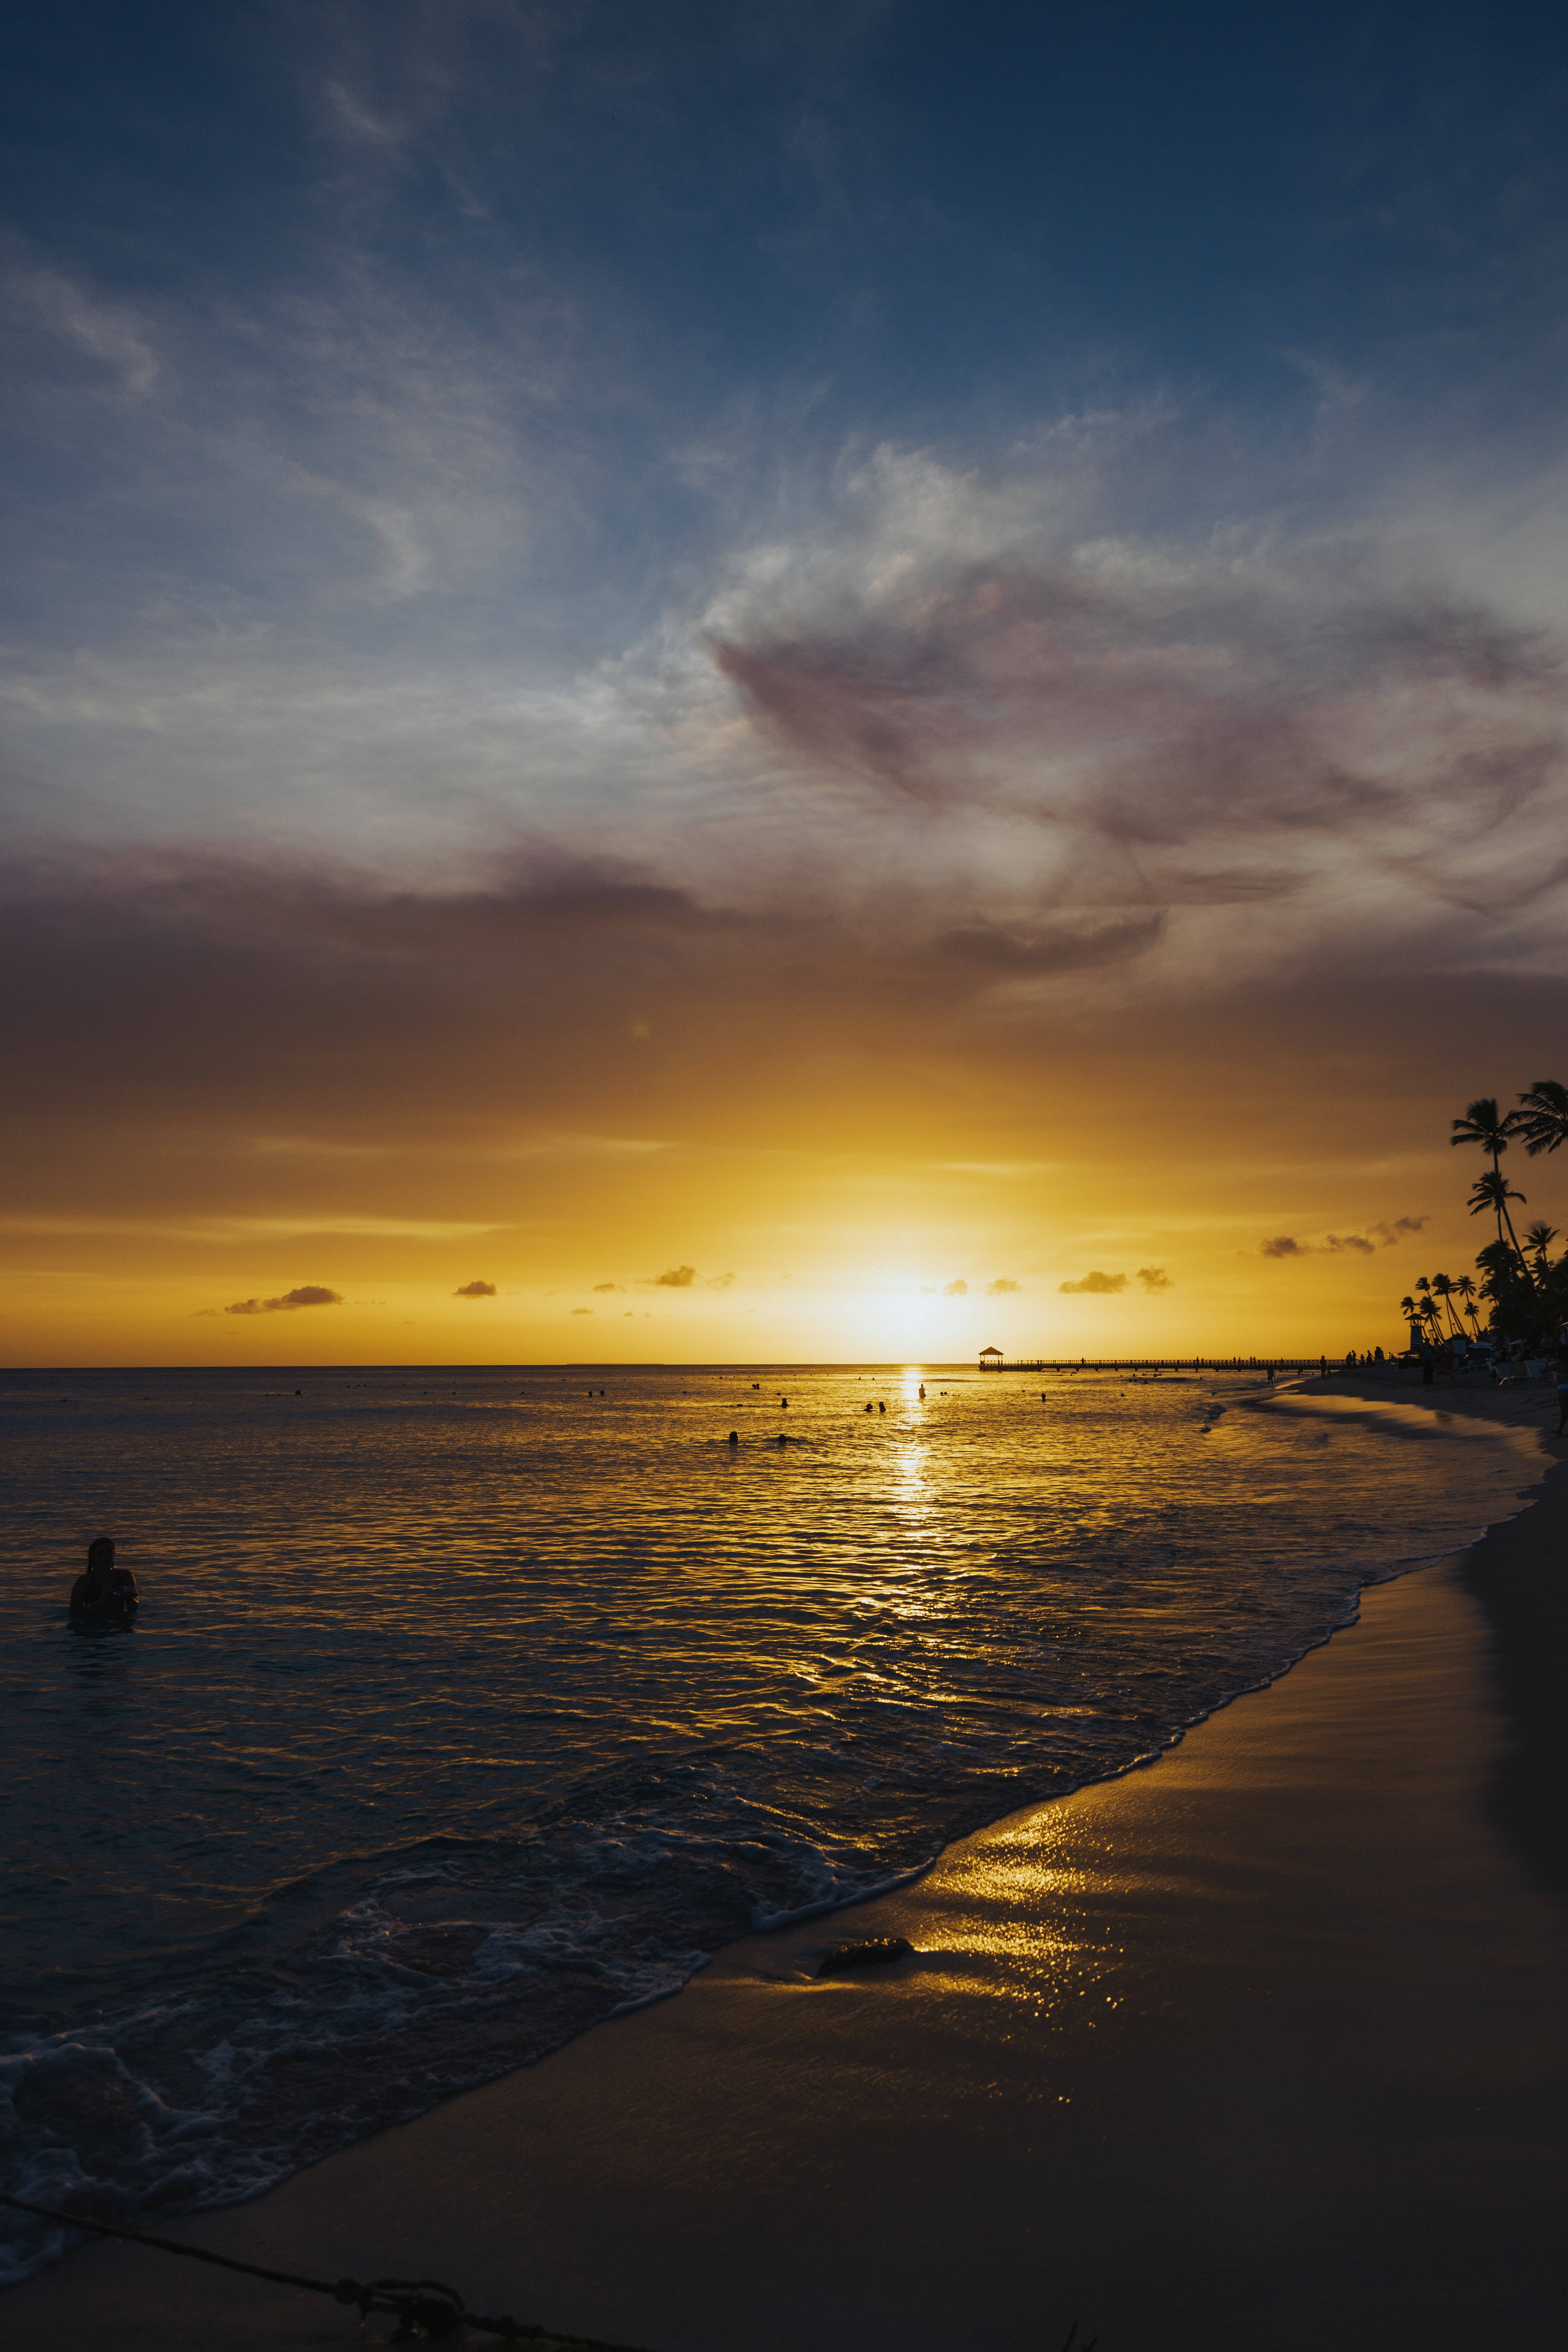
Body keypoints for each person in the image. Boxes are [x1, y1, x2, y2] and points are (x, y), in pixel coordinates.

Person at [69, 1537, 138, 1619]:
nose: (106, 1557)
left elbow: (134, 1609)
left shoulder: (126, 1576)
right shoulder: (84, 1581)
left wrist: (130, 1596)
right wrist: (97, 1604)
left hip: (119, 1625)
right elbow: (74, 1613)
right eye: (100, 1554)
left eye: (109, 1553)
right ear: (93, 1558)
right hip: (93, 1626)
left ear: (114, 1554)